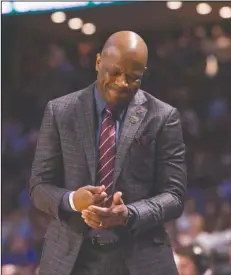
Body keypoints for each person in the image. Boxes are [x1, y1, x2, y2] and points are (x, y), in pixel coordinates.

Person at [30, 31, 187, 275]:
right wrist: (73, 200)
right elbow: (39, 187)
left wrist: (129, 214)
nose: (123, 82)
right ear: (98, 62)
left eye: (133, 77)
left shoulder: (163, 116)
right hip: (70, 260)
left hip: (141, 258)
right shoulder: (60, 111)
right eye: (115, 72)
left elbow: (175, 196)